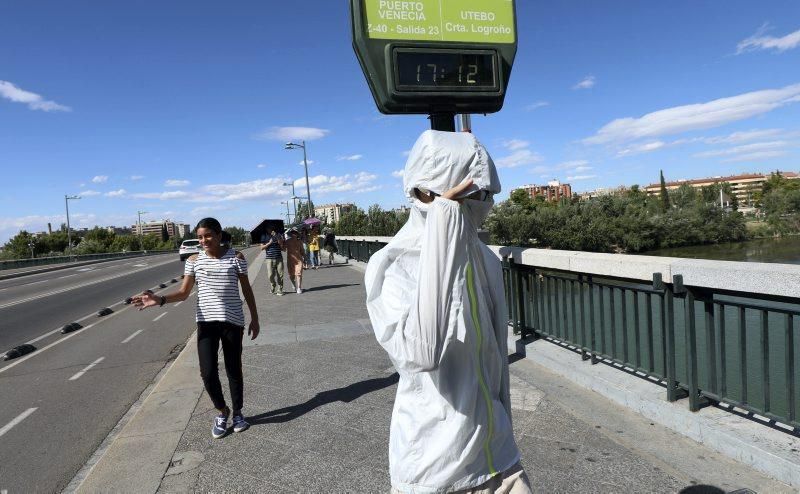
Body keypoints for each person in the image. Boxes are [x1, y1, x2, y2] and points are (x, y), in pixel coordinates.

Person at [365, 131, 531, 493]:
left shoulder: (481, 256)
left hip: (500, 455)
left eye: (486, 194)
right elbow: (420, 352)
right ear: (425, 193)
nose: (482, 203)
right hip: (436, 469)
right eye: (471, 194)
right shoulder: (391, 265)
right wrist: (443, 227)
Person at [132, 218, 260, 439]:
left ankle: (238, 412)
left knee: (233, 368)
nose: (204, 241)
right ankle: (222, 411)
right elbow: (183, 293)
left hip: (233, 321)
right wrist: (159, 299)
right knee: (207, 372)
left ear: (219, 235)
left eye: (208, 235)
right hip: (206, 322)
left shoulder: (236, 258)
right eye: (200, 237)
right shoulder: (193, 261)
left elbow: (247, 290)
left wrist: (255, 319)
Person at [261, 227, 285, 296]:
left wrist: (277, 237)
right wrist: (269, 243)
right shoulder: (264, 236)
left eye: (272, 227)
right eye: (269, 227)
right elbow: (261, 248)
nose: (270, 229)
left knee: (280, 275)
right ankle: (273, 285)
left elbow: (282, 245)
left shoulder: (279, 235)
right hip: (269, 259)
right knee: (270, 275)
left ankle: (280, 290)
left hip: (279, 258)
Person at [284, 228, 305, 294]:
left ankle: (299, 288)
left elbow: (302, 251)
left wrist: (305, 258)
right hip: (290, 260)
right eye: (293, 233)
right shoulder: (287, 241)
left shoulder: (300, 242)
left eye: (295, 233)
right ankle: (293, 284)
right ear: (291, 234)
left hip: (299, 260)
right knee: (291, 275)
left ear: (297, 234)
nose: (294, 234)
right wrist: (281, 242)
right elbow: (283, 249)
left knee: (299, 274)